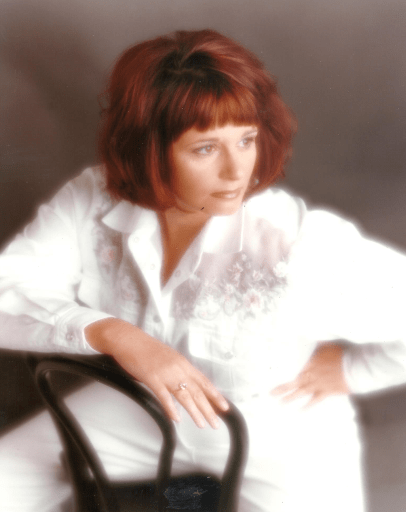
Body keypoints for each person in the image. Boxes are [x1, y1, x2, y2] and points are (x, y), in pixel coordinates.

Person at [1, 29, 406, 512]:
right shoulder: (93, 197)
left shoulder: (295, 240)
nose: (238, 171)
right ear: (150, 150)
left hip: (279, 427)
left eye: (247, 139)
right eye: (206, 149)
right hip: (144, 408)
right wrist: (118, 336)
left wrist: (354, 370)